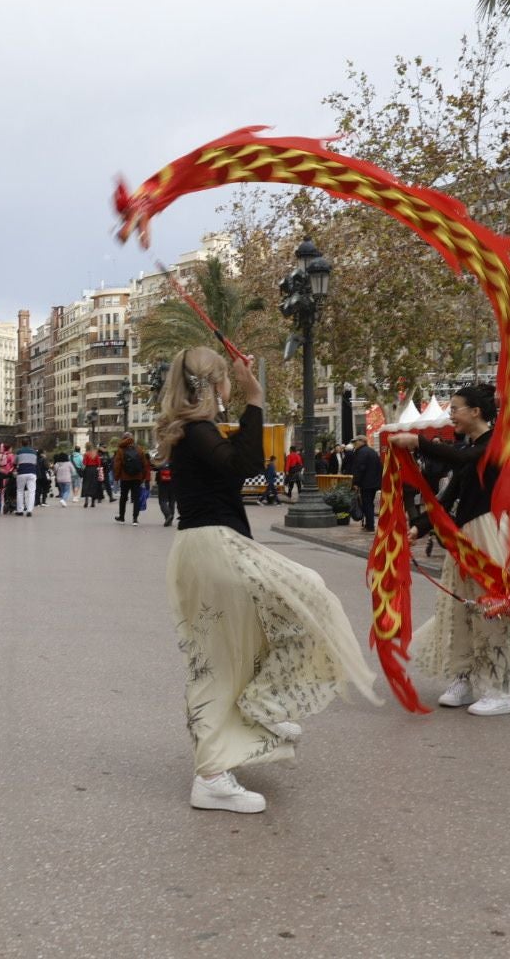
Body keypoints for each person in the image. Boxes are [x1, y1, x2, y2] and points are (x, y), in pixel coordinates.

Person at [161, 346, 377, 813]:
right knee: (225, 656)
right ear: (216, 384)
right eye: (226, 379)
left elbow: (238, 463)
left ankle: (259, 712)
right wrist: (254, 398)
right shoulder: (197, 430)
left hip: (215, 547)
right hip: (214, 548)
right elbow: (246, 466)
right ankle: (213, 775)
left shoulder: (196, 430)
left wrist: (249, 402)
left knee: (264, 633)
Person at [393, 384, 510, 717]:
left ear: (475, 412)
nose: (452, 415)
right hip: (465, 535)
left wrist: (419, 442)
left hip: (490, 533)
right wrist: (421, 524)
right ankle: (465, 677)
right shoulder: (471, 447)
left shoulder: (496, 442)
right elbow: (449, 495)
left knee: (493, 609)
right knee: (461, 610)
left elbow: (463, 458)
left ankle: (500, 689)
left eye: (456, 409)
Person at [347, 435, 382, 532]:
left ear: (362, 441)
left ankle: (370, 525)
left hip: (366, 483)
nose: (354, 444)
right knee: (369, 503)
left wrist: (356, 483)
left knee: (367, 504)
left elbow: (360, 469)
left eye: (356, 442)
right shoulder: (372, 451)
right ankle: (369, 523)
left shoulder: (362, 452)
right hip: (373, 483)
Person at [113, 434, 147, 525]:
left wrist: (116, 477)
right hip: (137, 477)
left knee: (123, 498)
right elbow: (144, 464)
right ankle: (135, 519)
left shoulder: (120, 450)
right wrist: (143, 477)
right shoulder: (139, 449)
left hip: (125, 478)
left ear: (123, 439)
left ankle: (122, 518)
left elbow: (117, 465)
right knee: (136, 498)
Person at [14, 439, 41, 516]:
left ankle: (20, 510)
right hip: (32, 472)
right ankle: (29, 510)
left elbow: (15, 462)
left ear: (21, 444)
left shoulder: (19, 451)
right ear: (29, 444)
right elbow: (35, 462)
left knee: (20, 491)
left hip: (21, 473)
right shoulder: (34, 452)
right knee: (31, 492)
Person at [155, 455, 177, 527]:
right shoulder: (175, 457)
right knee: (172, 501)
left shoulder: (161, 457)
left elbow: (156, 468)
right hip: (174, 482)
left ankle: (168, 515)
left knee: (162, 501)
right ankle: (170, 520)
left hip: (163, 483)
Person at [81, 443, 104, 508]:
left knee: (86, 485)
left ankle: (86, 502)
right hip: (95, 470)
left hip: (88, 470)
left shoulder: (86, 454)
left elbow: (84, 463)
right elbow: (99, 463)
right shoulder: (95, 454)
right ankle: (93, 503)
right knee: (94, 485)